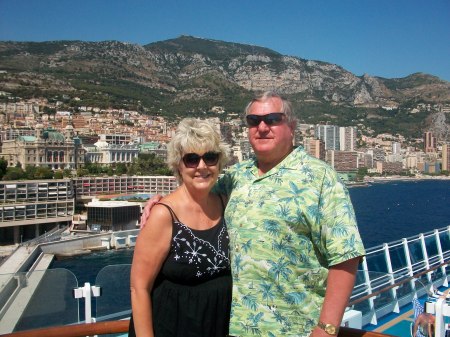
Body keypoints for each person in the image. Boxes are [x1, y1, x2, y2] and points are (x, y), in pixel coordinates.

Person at [141, 92, 365, 337]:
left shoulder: (321, 178)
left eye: (272, 119)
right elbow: (196, 188)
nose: (262, 127)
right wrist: (161, 202)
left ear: (291, 126)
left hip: (297, 330)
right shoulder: (235, 177)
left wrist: (327, 327)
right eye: (253, 120)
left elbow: (345, 256)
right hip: (233, 329)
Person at [129, 118, 232, 337]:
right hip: (171, 326)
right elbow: (139, 288)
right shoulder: (163, 215)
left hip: (218, 326)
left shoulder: (226, 203)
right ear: (179, 165)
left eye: (210, 157)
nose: (202, 166)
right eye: (192, 159)